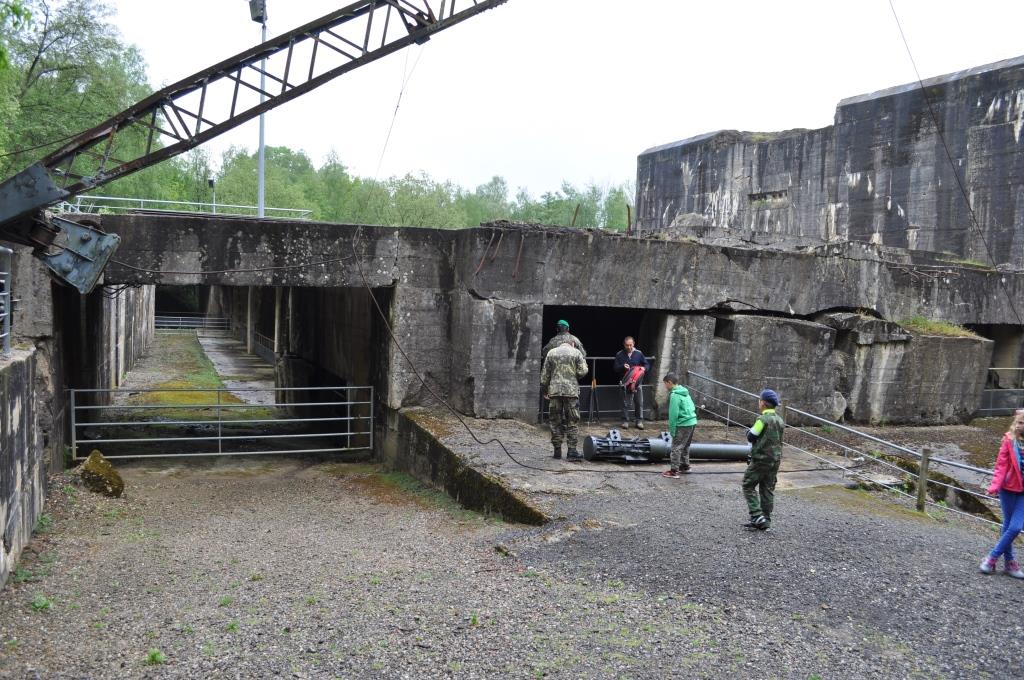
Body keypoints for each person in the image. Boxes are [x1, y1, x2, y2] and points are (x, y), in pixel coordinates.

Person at [979, 412, 1024, 578]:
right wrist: (994, 487)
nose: (1021, 426)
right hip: (1008, 489)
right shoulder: (1009, 440)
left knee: (1015, 526)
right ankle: (1010, 563)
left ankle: (992, 557)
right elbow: (1001, 466)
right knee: (1008, 525)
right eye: (1019, 422)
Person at [742, 389, 784, 531]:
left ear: (763, 403)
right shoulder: (779, 420)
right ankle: (765, 521)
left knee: (748, 484)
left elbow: (751, 436)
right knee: (767, 489)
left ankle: (756, 514)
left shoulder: (762, 419)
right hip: (775, 460)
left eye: (759, 400)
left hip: (761, 459)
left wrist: (748, 431)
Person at [540, 340, 588, 461]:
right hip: (571, 392)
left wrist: (545, 390)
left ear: (560, 344)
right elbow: (583, 371)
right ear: (572, 344)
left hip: (555, 392)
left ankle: (557, 450)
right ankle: (572, 451)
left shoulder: (551, 353)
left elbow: (544, 375)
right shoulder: (576, 353)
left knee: (555, 421)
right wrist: (574, 375)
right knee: (572, 420)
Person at [661, 373, 697, 478]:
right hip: (692, 421)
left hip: (683, 423)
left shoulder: (674, 395)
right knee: (685, 445)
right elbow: (692, 406)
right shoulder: (685, 392)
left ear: (670, 382)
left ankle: (674, 471)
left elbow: (673, 414)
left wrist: (672, 430)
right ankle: (685, 466)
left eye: (665, 384)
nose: (665, 386)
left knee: (676, 447)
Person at [613, 336, 651, 429]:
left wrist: (644, 368)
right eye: (627, 345)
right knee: (625, 403)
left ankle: (639, 421)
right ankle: (625, 421)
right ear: (624, 345)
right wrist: (622, 366)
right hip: (625, 383)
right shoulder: (619, 354)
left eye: (630, 345)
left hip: (637, 383)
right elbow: (615, 368)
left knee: (639, 402)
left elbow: (646, 364)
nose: (629, 347)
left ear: (633, 344)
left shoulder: (639, 353)